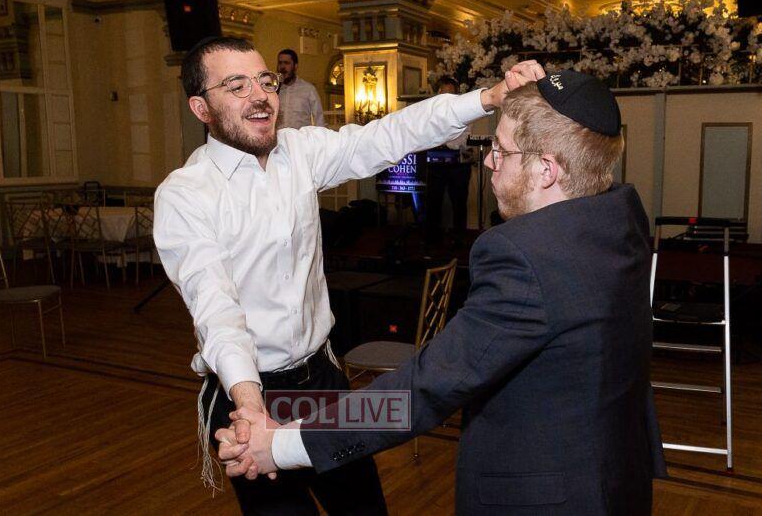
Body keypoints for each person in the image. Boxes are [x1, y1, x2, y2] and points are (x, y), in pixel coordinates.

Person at [218, 69, 668, 515]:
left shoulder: (527, 257)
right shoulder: (620, 215)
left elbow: (422, 390)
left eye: (501, 150)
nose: (489, 162)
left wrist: (280, 446)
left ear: (546, 169)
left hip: (548, 495)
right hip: (616, 473)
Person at [153, 36, 529, 515]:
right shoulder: (185, 195)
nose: (260, 96)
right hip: (246, 391)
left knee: (363, 507)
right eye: (237, 85)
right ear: (201, 108)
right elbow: (216, 308)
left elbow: (390, 135)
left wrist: (487, 98)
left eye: (265, 81)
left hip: (321, 380)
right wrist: (248, 405)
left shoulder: (299, 152)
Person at [425, 76, 473, 245]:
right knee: (433, 201)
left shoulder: (465, 112)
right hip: (435, 163)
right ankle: (433, 240)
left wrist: (445, 141)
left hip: (458, 164)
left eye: (450, 94)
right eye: (443, 94)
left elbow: (464, 139)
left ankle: (459, 239)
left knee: (459, 202)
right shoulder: (431, 112)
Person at [276, 48, 325, 129]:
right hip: (279, 136)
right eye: (280, 63)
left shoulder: (308, 89)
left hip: (300, 136)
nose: (282, 67)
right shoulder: (274, 90)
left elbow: (319, 119)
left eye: (286, 63)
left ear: (295, 66)